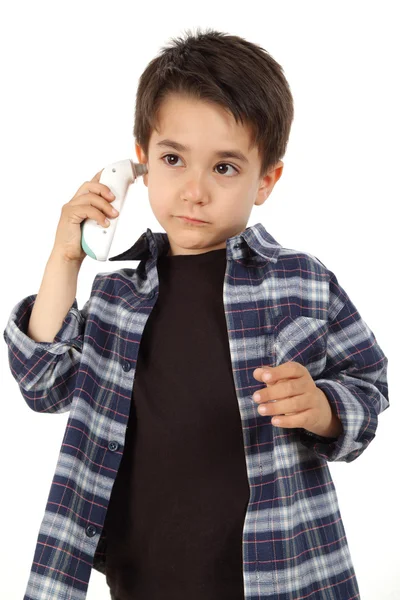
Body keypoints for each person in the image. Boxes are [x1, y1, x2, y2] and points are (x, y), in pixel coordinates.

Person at [3, 27, 389, 600]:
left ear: (267, 180)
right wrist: (66, 257)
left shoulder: (301, 281)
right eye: (174, 159)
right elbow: (43, 384)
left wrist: (324, 407)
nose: (194, 190)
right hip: (144, 577)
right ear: (140, 164)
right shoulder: (115, 299)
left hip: (276, 574)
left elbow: (369, 385)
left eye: (225, 167)